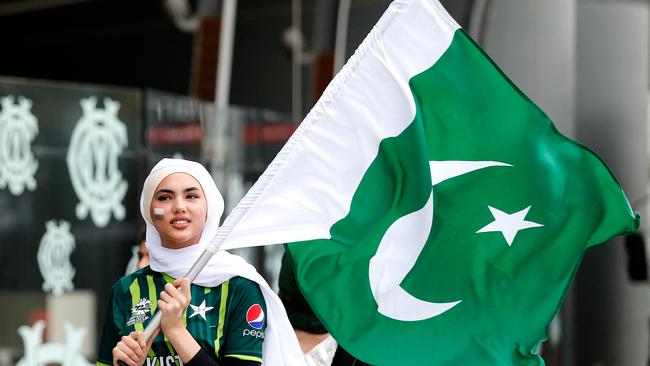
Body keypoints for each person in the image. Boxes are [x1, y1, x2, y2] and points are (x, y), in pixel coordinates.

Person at [97, 158, 304, 366]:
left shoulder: (239, 285)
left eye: (192, 196)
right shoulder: (125, 290)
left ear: (209, 208)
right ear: (149, 211)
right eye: (165, 197)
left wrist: (176, 331)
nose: (179, 206)